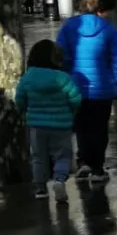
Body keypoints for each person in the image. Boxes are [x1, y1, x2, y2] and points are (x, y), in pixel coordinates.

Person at [56, 0, 117, 183]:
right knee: (99, 129)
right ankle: (97, 168)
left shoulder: (69, 27)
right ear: (101, 9)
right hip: (102, 89)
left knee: (81, 127)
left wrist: (67, 75)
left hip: (75, 88)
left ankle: (83, 161)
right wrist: (116, 80)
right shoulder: (109, 29)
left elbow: (60, 55)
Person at [16, 40, 82, 202]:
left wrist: (24, 112)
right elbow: (75, 99)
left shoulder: (27, 78)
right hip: (61, 125)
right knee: (62, 156)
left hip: (36, 126)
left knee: (38, 157)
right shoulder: (63, 78)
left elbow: (20, 100)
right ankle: (59, 180)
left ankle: (40, 189)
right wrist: (71, 112)